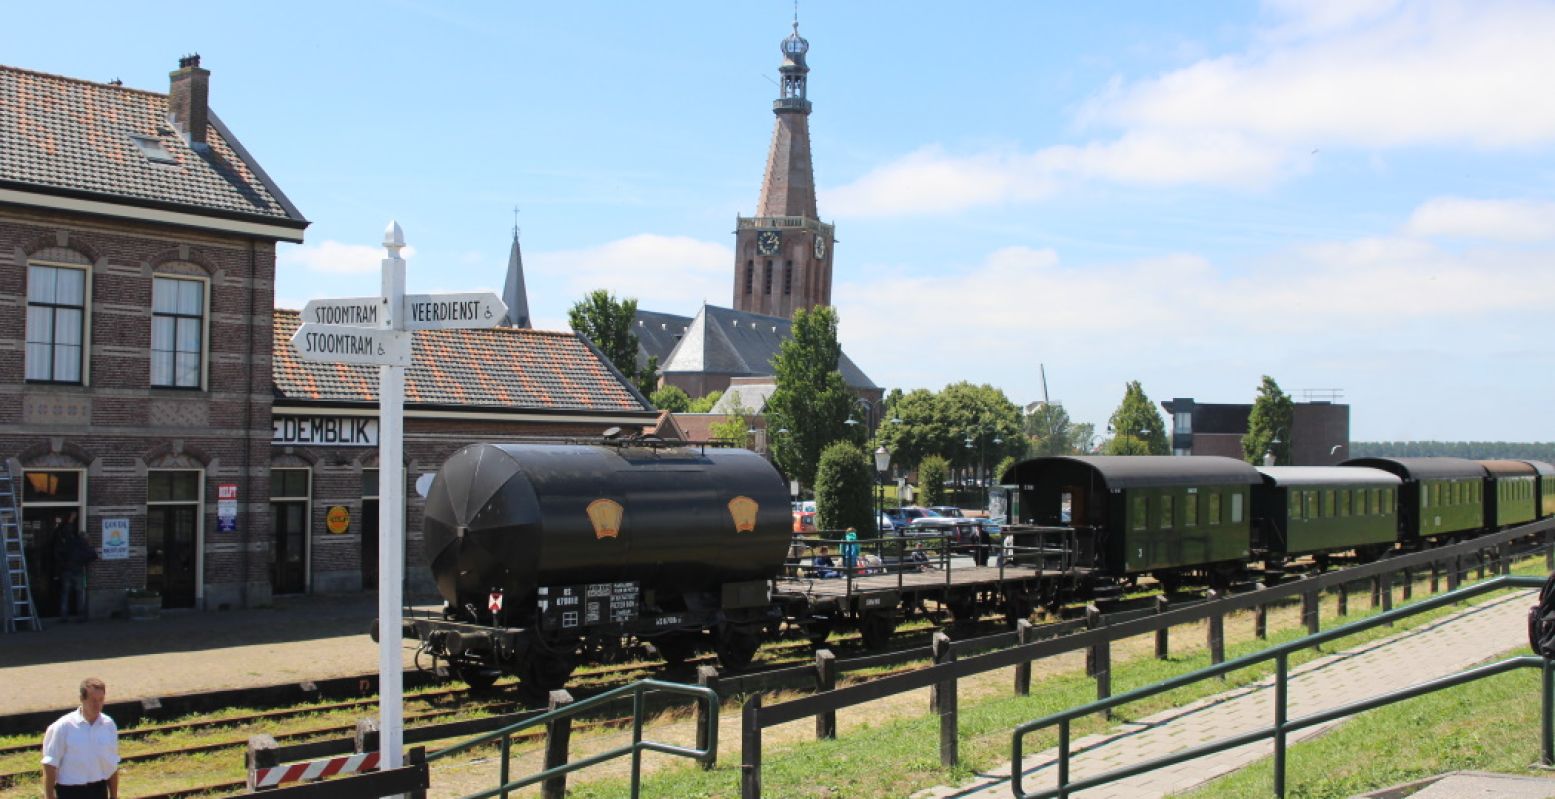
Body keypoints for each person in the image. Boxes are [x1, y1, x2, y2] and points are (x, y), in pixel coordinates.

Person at [41, 677, 119, 799]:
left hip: (99, 790)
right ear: (82, 699)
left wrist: (114, 796)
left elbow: (112, 764)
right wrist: (49, 797)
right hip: (70, 792)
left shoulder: (109, 725)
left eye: (101, 700)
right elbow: (50, 764)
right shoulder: (63, 727)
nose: (97, 705)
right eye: (93, 700)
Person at [52, 513, 93, 621]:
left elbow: (67, 532)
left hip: (67, 571)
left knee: (65, 593)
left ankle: (64, 616)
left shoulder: (72, 542)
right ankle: (80, 616)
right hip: (78, 571)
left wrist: (71, 520)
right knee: (79, 594)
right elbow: (93, 556)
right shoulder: (85, 546)